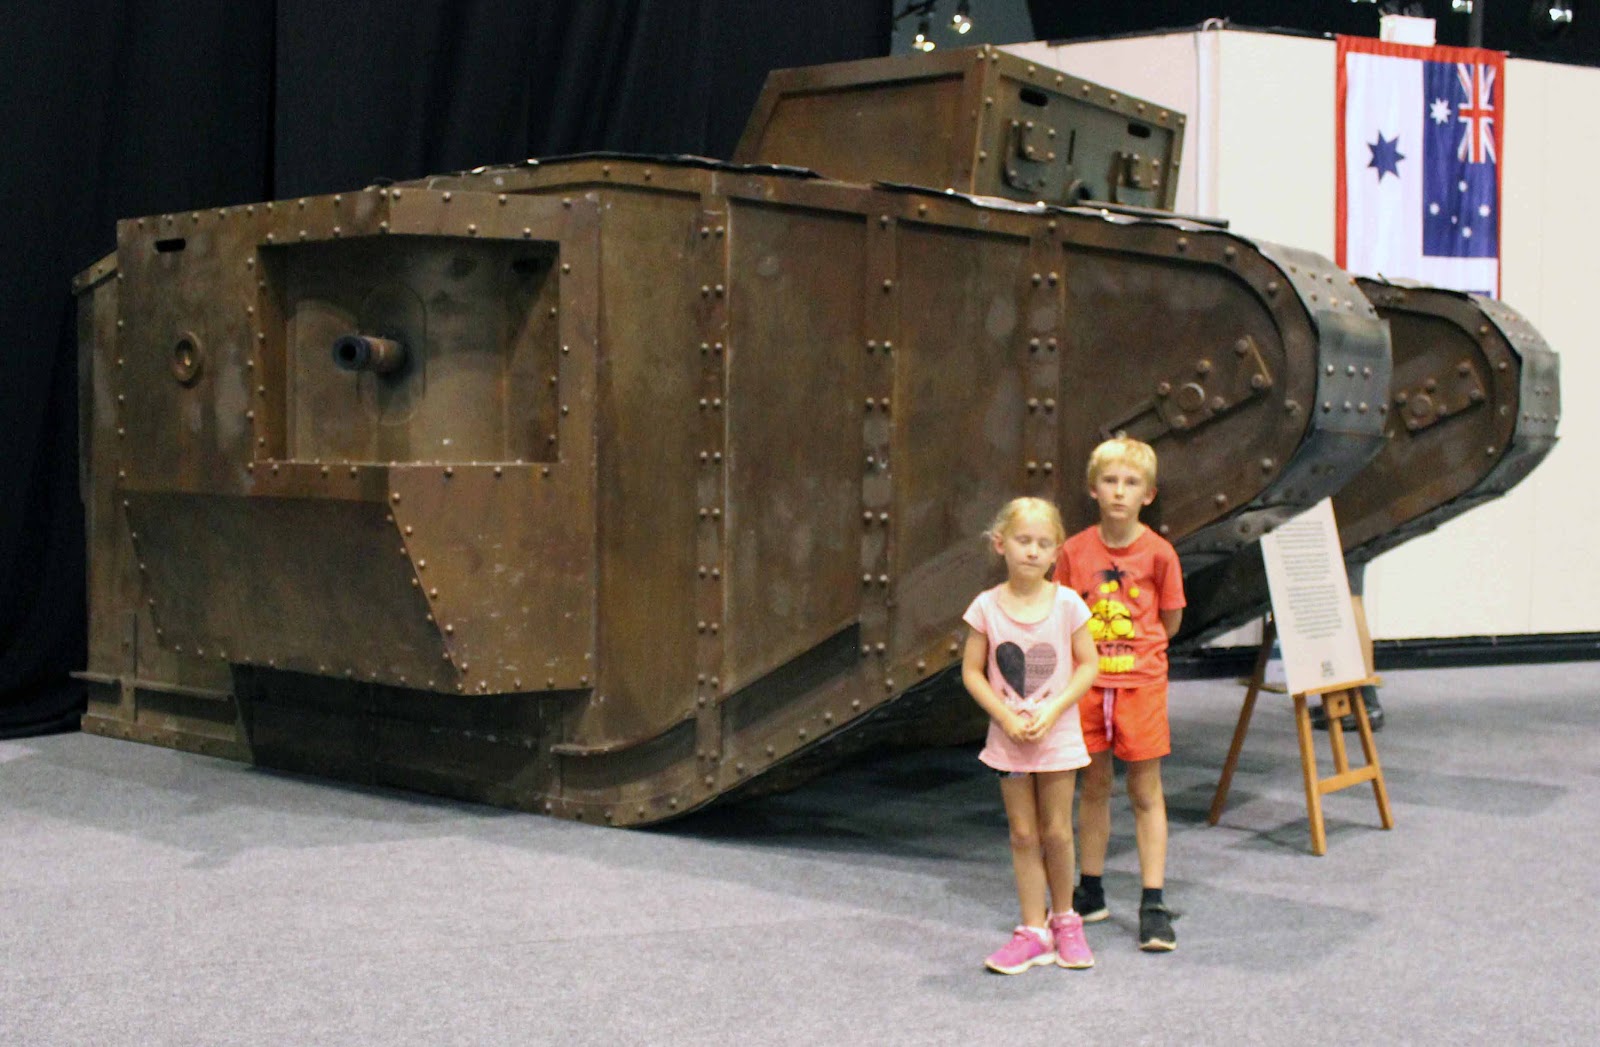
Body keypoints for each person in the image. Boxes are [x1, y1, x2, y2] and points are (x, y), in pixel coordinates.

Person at [1055, 437, 1186, 952]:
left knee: (1145, 791)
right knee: (1093, 787)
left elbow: (1170, 620)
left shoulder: (1160, 554)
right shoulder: (1074, 552)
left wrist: (1135, 654)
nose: (1118, 491)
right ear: (1093, 489)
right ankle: (1091, 890)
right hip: (1088, 686)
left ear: (1147, 495)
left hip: (1140, 685)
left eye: (1131, 483)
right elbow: (1063, 614)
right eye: (1109, 481)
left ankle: (1153, 902)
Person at [962, 497, 1101, 974]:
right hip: (1009, 742)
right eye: (1023, 540)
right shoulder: (985, 607)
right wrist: (1004, 716)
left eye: (1043, 543)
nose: (1032, 551)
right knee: (1023, 833)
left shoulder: (1068, 604)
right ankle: (1033, 931)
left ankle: (1066, 921)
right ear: (1000, 544)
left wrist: (1055, 709)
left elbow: (1088, 665)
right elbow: (972, 672)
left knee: (1057, 831)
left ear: (1056, 551)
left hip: (1057, 739)